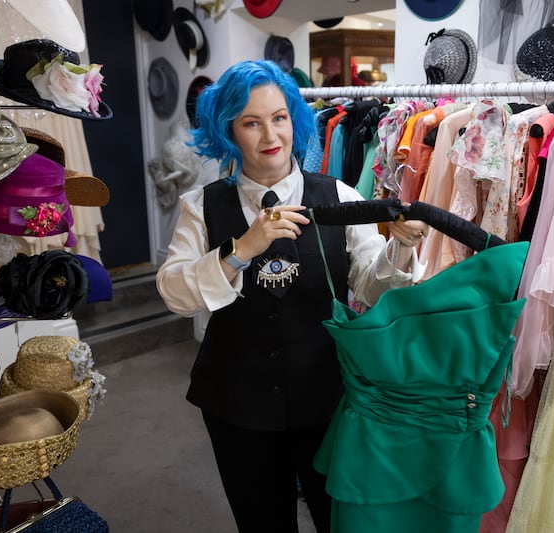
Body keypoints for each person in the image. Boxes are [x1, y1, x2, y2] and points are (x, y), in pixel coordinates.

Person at [155, 60, 429, 533]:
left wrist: (400, 250)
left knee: (337, 518)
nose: (269, 135)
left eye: (279, 117)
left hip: (326, 399)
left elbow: (370, 286)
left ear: (295, 120)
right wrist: (240, 251)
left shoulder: (338, 195)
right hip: (236, 404)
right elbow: (175, 293)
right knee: (261, 522)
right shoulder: (202, 206)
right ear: (229, 132)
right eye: (251, 122)